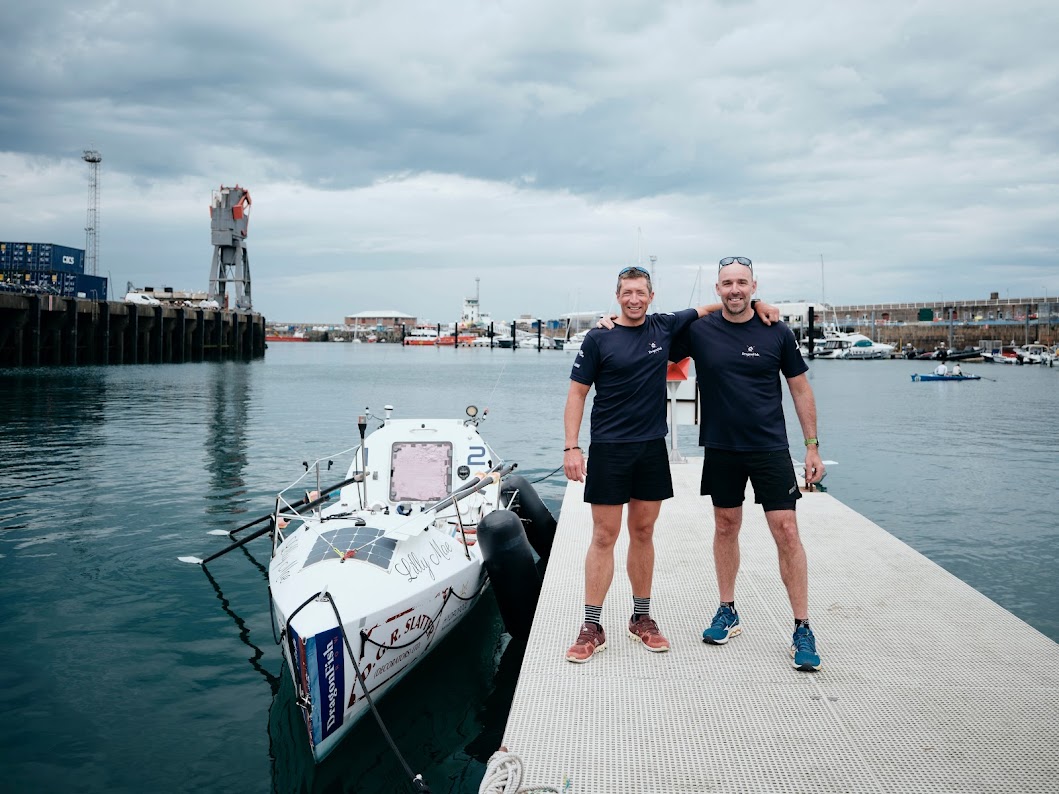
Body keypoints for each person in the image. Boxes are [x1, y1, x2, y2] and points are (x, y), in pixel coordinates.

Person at [562, 265, 775, 663]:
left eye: (641, 292)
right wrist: (572, 448)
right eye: (627, 292)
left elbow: (712, 308)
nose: (634, 299)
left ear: (651, 294)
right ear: (617, 295)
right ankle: (592, 625)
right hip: (609, 448)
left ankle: (641, 618)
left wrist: (759, 302)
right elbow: (577, 395)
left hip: (650, 448)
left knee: (643, 532)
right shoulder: (598, 338)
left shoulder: (663, 326)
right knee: (604, 536)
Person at [670, 256, 826, 672]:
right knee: (725, 525)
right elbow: (651, 335)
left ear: (754, 285)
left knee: (787, 530)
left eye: (742, 283)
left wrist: (812, 447)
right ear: (717, 289)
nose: (734, 289)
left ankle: (802, 627)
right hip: (721, 447)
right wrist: (612, 322)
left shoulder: (776, 331)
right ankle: (728, 610)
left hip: (770, 447)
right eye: (727, 284)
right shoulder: (700, 331)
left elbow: (800, 388)